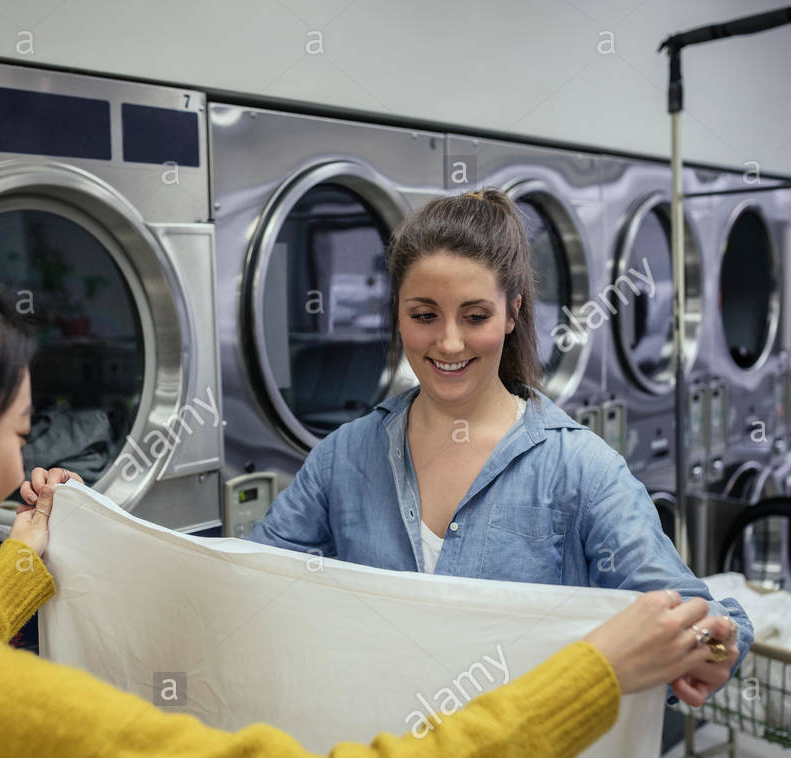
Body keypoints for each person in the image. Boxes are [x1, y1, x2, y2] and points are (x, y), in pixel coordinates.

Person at [0, 192, 737, 758]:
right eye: (21, 430)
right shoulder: (12, 712)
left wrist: (25, 568)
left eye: (473, 315)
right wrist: (106, 542)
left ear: (512, 314)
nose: (21, 467)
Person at [247, 189, 753, 708]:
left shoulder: (577, 468)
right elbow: (250, 576)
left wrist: (709, 646)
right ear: (397, 312)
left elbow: (691, 612)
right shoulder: (346, 457)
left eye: (475, 316)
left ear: (511, 314)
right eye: (424, 315)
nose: (448, 343)